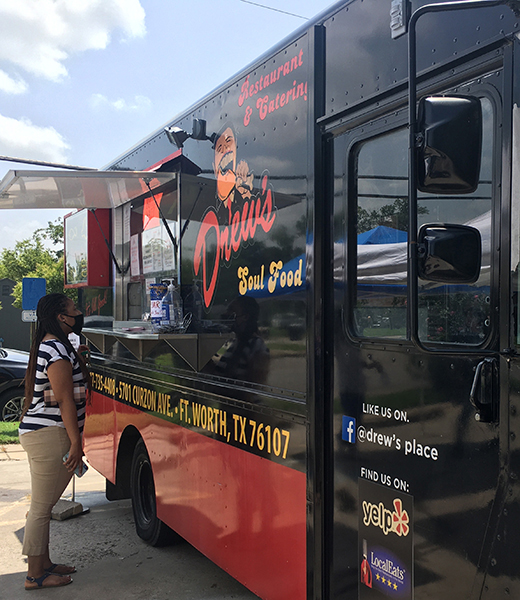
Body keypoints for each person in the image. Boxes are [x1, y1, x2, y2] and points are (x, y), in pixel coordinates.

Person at [18, 293, 90, 590]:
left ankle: (43, 563)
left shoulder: (52, 346)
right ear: (61, 317)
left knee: (41, 505)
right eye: (74, 309)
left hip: (40, 432)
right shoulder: (56, 350)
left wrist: (76, 359)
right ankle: (35, 575)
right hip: (50, 434)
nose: (79, 312)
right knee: (42, 507)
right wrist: (76, 442)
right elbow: (63, 400)